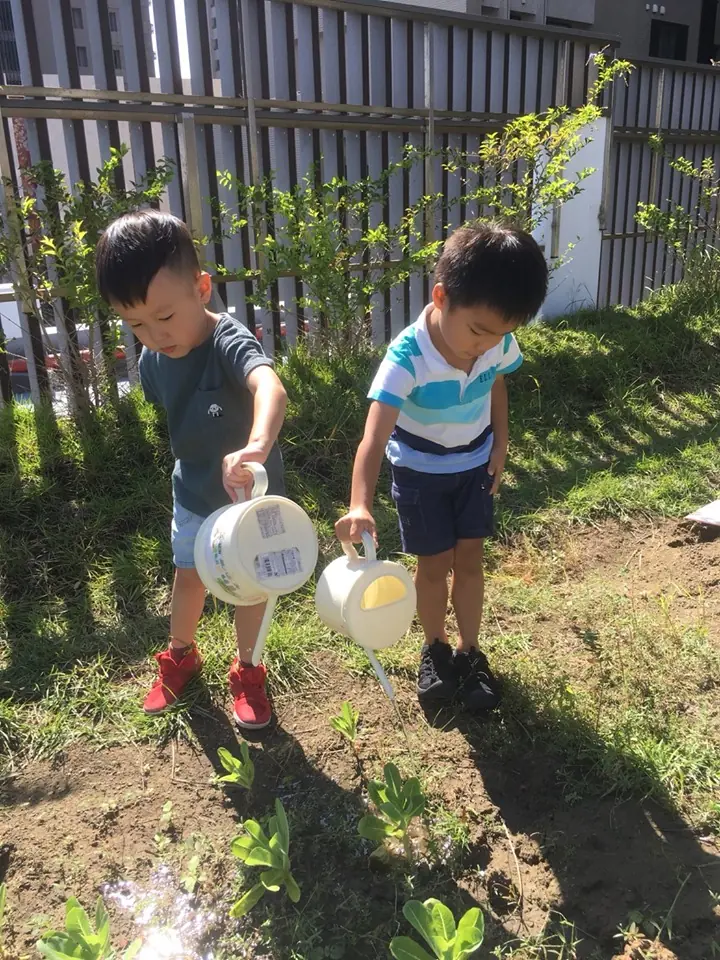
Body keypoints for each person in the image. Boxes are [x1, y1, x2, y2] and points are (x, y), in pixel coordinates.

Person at [335, 222, 548, 710]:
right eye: (477, 330)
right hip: (420, 476)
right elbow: (373, 437)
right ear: (441, 296)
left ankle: (472, 653)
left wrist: (500, 442)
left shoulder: (494, 342)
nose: (485, 344)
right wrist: (359, 504)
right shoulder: (407, 359)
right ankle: (435, 648)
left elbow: (496, 381)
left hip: (475, 466)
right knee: (433, 566)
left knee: (470, 559)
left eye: (501, 334)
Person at [96, 210, 287, 729]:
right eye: (135, 323)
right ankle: (182, 655)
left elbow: (269, 387)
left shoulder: (228, 340)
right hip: (196, 494)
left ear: (201, 289)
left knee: (252, 585)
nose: (154, 334)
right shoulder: (153, 363)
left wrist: (255, 446)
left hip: (249, 502)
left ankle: (248, 669)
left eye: (164, 316)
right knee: (189, 576)